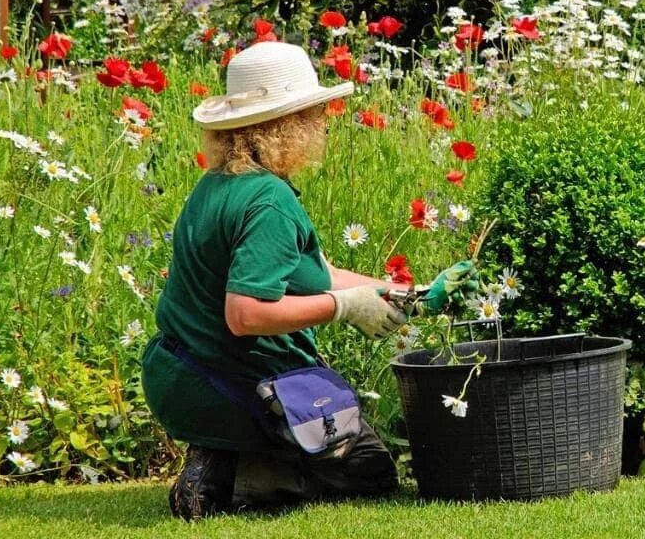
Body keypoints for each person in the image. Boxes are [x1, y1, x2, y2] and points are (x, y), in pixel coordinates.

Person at [141, 40, 474, 519]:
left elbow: (315, 275)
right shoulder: (270, 202)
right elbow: (245, 314)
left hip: (177, 373)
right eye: (314, 114)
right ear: (285, 125)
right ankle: (235, 476)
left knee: (350, 453)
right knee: (369, 471)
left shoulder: (218, 185)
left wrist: (412, 296)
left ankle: (229, 453)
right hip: (228, 383)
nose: (322, 124)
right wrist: (344, 308)